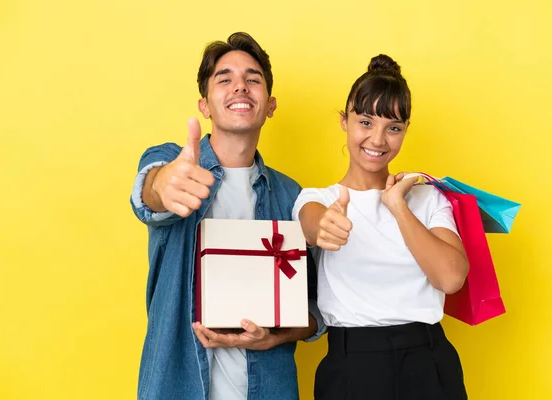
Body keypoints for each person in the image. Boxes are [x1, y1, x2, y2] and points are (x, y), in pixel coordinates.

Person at [130, 32, 323, 400]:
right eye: (225, 79)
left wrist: (276, 336)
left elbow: (317, 309)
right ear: (204, 105)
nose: (240, 87)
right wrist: (161, 186)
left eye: (253, 79)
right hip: (177, 387)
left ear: (270, 105)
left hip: (269, 388)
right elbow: (148, 194)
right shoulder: (176, 164)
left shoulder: (292, 196)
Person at [293, 54, 469, 399]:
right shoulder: (319, 197)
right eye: (366, 122)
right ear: (345, 121)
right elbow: (312, 223)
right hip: (352, 366)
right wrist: (325, 226)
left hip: (428, 361)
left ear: (404, 132)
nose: (377, 139)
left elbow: (450, 278)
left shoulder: (428, 198)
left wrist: (398, 206)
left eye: (393, 128)